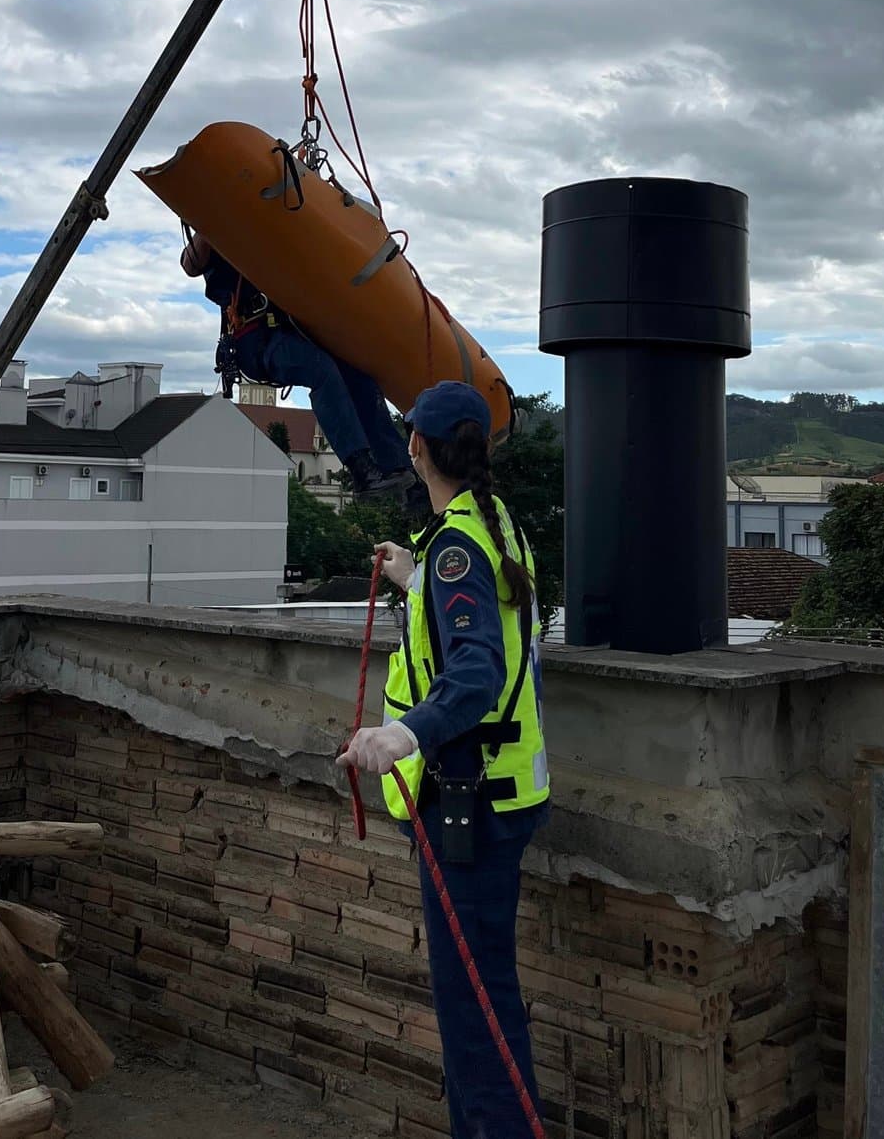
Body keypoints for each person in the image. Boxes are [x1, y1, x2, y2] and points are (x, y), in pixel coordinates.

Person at [337, 380, 549, 1138]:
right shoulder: (489, 529)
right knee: (481, 998)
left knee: (473, 1012)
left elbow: (475, 673)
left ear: (416, 448)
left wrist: (398, 737)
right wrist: (413, 575)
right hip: (500, 793)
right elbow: (480, 615)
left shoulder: (458, 544)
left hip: (471, 802)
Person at [181, 229, 415, 499]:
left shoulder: (279, 220)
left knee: (358, 375)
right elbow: (191, 263)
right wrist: (210, 221)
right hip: (258, 341)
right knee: (321, 371)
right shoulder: (226, 226)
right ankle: (361, 469)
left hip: (296, 331)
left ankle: (400, 469)